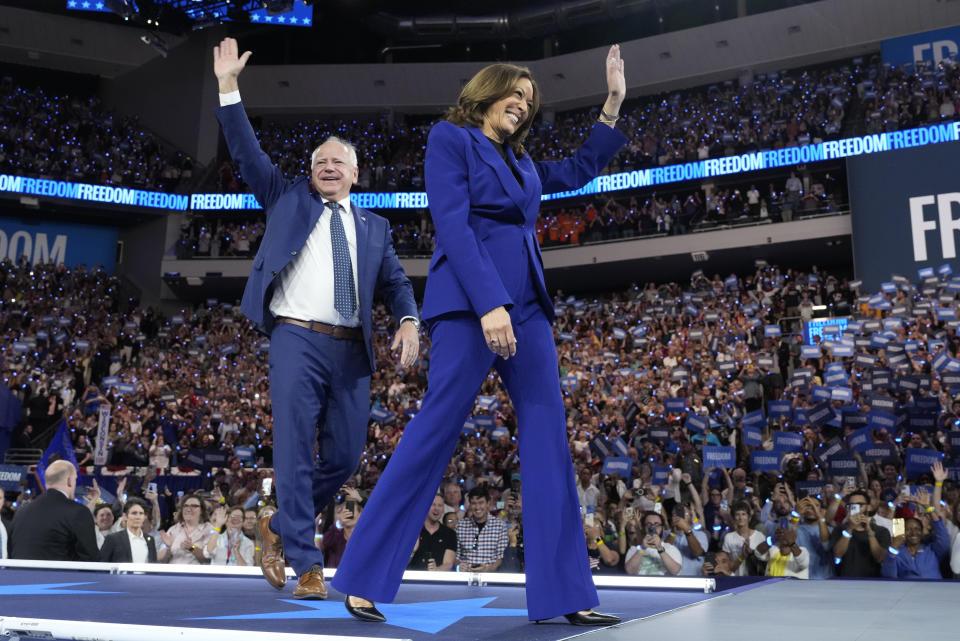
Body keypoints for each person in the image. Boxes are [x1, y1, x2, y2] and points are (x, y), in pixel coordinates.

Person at [332, 45, 628, 627]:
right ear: (488, 92)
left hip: (531, 308)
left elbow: (575, 170)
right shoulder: (451, 138)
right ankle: (363, 576)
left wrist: (613, 105)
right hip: (470, 302)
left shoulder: (521, 163)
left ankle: (566, 594)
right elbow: (452, 221)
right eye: (515, 94)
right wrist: (490, 302)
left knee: (548, 437)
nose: (523, 104)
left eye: (530, 100)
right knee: (436, 428)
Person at [212, 38, 420, 600]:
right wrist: (229, 89)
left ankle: (277, 525)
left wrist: (408, 320)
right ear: (310, 173)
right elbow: (247, 153)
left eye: (338, 162)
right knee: (295, 447)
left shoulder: (375, 227)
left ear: (356, 173)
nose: (328, 168)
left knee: (348, 455)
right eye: (320, 162)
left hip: (351, 347)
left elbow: (398, 283)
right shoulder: (286, 198)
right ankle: (307, 565)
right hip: (296, 338)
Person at [9, 460, 98, 561]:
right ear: (69, 481)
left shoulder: (21, 512)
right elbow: (90, 559)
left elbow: (11, 552)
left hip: (19, 575)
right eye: (75, 480)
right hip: (61, 576)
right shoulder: (79, 512)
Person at [829, 490, 890, 577]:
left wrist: (869, 530)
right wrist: (849, 528)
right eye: (851, 505)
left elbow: (879, 558)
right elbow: (837, 555)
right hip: (845, 582)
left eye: (860, 505)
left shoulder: (881, 531)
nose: (855, 508)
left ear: (869, 507)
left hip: (873, 583)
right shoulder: (839, 530)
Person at [454, 486, 509, 572]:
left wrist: (488, 569)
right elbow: (455, 557)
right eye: (474, 503)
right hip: (465, 577)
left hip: (489, 578)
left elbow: (501, 557)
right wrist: (458, 567)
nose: (477, 507)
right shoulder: (460, 526)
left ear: (488, 503)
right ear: (470, 505)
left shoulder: (500, 526)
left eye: (481, 503)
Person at [157, 492, 215, 565]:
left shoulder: (208, 529)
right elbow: (161, 560)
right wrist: (167, 547)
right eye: (185, 506)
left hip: (195, 574)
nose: (188, 509)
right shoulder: (173, 529)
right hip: (174, 573)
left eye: (194, 506)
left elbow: (209, 559)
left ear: (202, 510)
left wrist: (192, 548)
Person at [100, 498, 158, 563]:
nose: (138, 517)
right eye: (134, 513)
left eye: (141, 513)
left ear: (144, 517)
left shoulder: (150, 540)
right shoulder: (113, 539)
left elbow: (153, 566)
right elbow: (101, 565)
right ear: (125, 516)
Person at [408, 494, 457, 571]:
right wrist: (412, 552)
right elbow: (400, 562)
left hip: (437, 581)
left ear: (443, 509)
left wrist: (436, 570)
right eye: (433, 505)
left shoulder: (450, 534)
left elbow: (448, 564)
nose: (436, 509)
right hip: (412, 579)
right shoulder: (413, 531)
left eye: (440, 505)